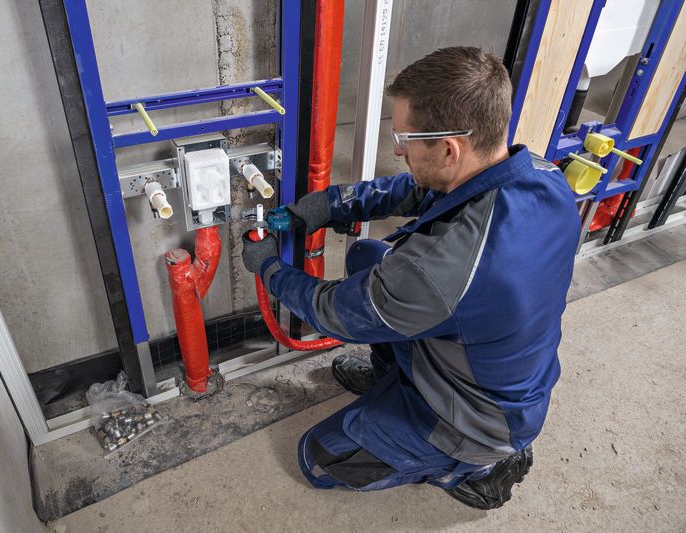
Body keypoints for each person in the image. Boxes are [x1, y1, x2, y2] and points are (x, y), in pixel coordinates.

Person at [241, 46, 580, 509]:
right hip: (496, 364)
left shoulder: (437, 269)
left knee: (318, 459)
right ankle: (396, 381)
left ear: (448, 147)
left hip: (478, 420)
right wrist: (327, 206)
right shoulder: (541, 176)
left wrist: (268, 267)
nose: (398, 151)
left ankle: (477, 467)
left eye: (404, 140)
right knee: (366, 256)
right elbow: (414, 189)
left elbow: (333, 312)